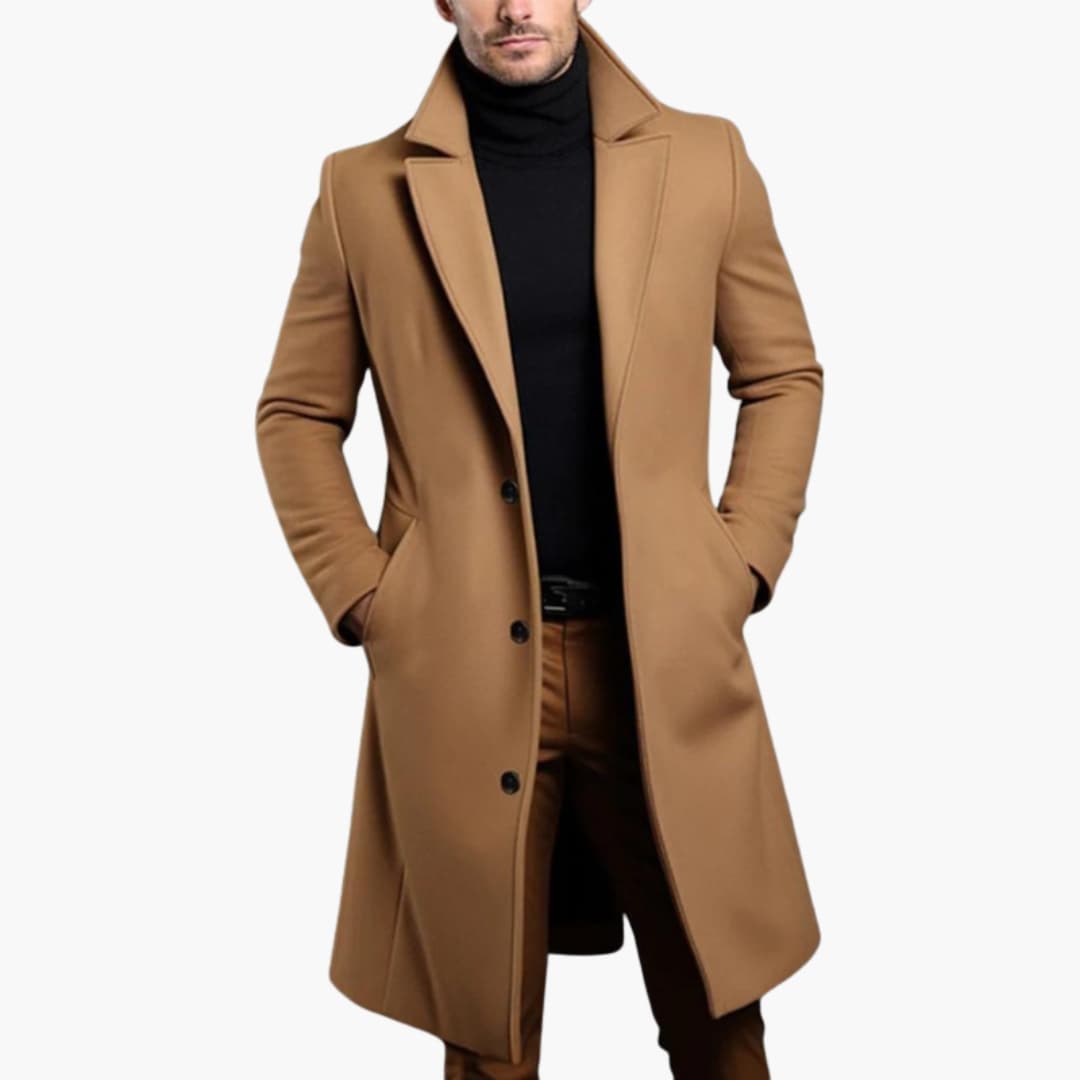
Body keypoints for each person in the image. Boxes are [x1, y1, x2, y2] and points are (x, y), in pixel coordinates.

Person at [255, 3, 823, 1077]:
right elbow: (295, 413)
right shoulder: (361, 189)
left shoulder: (706, 159)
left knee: (720, 1020)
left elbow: (782, 374)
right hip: (461, 665)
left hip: (661, 656)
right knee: (486, 1034)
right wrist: (369, 595)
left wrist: (741, 561)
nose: (515, 6)